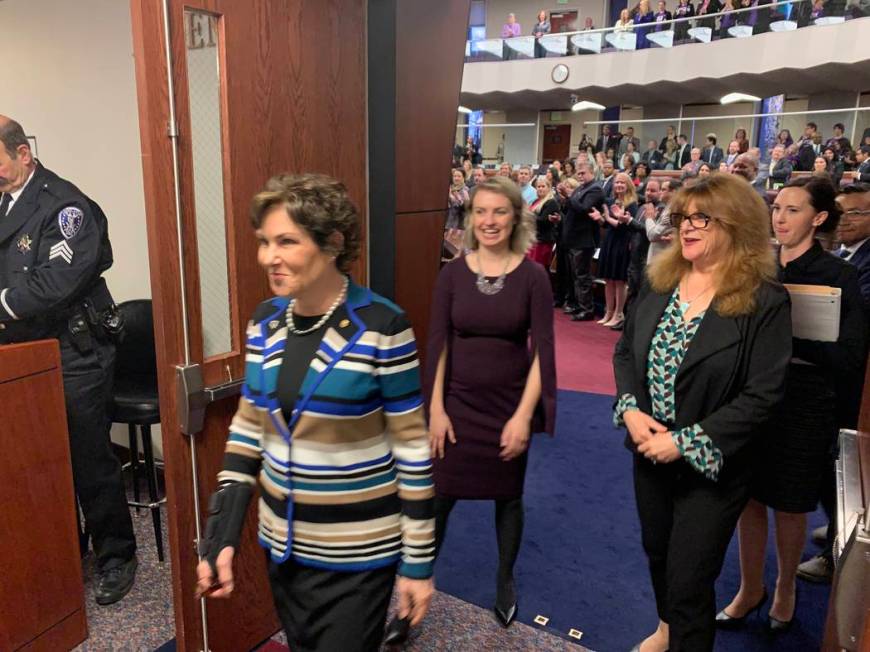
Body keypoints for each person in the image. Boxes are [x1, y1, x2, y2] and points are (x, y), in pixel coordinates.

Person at [196, 173, 435, 651]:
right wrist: (219, 537)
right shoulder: (265, 321)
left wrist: (418, 563)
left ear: (332, 244)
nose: (268, 257)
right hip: (283, 548)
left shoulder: (383, 326)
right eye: (264, 242)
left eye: (287, 241)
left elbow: (412, 450)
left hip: (358, 554)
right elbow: (249, 429)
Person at [613, 173, 792, 652]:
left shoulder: (764, 300)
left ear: (736, 225)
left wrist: (684, 441)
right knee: (658, 552)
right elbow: (626, 353)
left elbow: (763, 394)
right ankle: (667, 629)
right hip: (648, 448)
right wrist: (629, 409)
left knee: (691, 577)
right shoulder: (658, 281)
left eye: (702, 218)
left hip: (713, 462)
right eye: (681, 218)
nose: (686, 228)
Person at [717, 177, 868, 634]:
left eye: (793, 210)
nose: (779, 218)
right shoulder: (756, 268)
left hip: (805, 404)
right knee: (746, 498)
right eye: (776, 208)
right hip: (751, 397)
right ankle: (749, 588)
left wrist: (785, 335)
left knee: (789, 503)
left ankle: (785, 586)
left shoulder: (838, 276)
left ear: (818, 218)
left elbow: (849, 355)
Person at [0, 116, 137, 605]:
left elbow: (53, 285)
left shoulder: (65, 205)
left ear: (23, 154)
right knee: (35, 460)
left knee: (88, 459)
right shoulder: (6, 202)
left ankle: (117, 556)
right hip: (22, 352)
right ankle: (60, 551)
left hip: (75, 349)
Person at [425, 175, 556, 628]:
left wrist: (524, 416)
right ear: (469, 217)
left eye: (499, 210)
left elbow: (542, 352)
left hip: (508, 406)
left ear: (515, 216)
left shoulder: (533, 276)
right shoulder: (452, 273)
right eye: (480, 211)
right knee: (439, 497)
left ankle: (505, 578)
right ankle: (418, 582)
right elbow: (438, 343)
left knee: (508, 498)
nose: (489, 220)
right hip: (457, 404)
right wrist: (436, 409)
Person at [591, 172, 638, 329]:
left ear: (628, 185)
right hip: (609, 241)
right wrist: (600, 219)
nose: (619, 185)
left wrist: (607, 216)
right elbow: (607, 225)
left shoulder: (632, 203)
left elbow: (621, 225)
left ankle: (619, 313)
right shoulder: (612, 200)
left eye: (622, 183)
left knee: (619, 280)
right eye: (617, 182)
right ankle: (608, 311)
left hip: (622, 243)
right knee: (608, 280)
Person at [563, 162, 606, 320]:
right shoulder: (580, 189)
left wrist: (569, 196)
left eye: (583, 173)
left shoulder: (595, 189)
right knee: (575, 275)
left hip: (584, 238)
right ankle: (577, 304)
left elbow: (583, 210)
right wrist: (566, 198)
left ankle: (587, 309)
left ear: (591, 173)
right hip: (573, 238)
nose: (580, 176)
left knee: (583, 276)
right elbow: (570, 208)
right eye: (578, 173)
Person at [646, 179, 681, 262]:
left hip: (662, 259)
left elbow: (652, 235)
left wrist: (649, 218)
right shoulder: (667, 208)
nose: (660, 192)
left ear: (674, 192)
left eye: (663, 190)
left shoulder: (672, 211)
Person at [528, 176, 560, 268]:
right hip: (533, 239)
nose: (540, 188)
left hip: (543, 241)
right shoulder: (536, 201)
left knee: (539, 268)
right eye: (538, 187)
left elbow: (543, 221)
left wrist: (528, 215)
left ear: (549, 188)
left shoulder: (551, 202)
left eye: (543, 186)